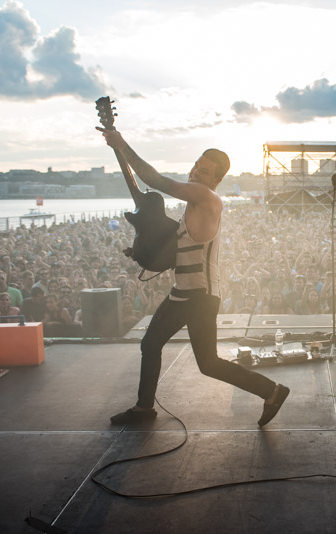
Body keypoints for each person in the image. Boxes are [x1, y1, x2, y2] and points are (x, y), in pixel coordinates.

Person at [97, 127, 289, 427]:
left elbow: (155, 181)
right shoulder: (194, 207)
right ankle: (271, 391)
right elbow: (178, 255)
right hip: (187, 293)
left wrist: (122, 146)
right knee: (187, 356)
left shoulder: (204, 196)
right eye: (196, 166)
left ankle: (271, 391)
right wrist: (141, 253)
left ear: (215, 181)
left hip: (197, 296)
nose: (196, 173)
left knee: (183, 355)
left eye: (204, 171)